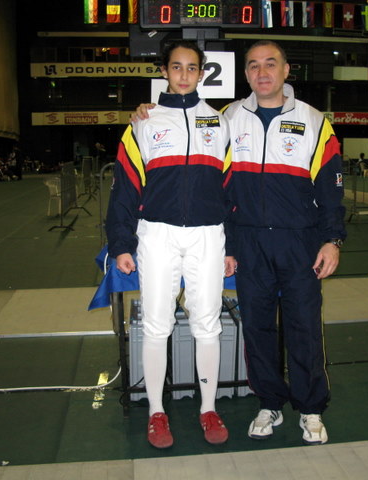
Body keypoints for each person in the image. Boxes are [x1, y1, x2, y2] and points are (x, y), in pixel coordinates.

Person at [135, 40, 346, 446]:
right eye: (253, 66)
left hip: (299, 242)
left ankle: (310, 408)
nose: (262, 72)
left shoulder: (315, 121)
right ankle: (269, 403)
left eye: (271, 64)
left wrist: (332, 239)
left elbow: (331, 187)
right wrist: (146, 111)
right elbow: (215, 177)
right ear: (245, 73)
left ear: (287, 70)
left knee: (303, 327)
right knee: (258, 329)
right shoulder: (228, 118)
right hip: (249, 242)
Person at [106, 41, 232, 449]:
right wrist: (121, 243)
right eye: (176, 67)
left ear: (202, 73)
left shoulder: (219, 122)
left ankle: (208, 408)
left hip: (207, 234)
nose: (183, 75)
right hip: (156, 234)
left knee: (207, 324)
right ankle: (157, 413)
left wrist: (233, 247)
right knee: (157, 325)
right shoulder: (143, 123)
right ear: (164, 71)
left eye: (191, 68)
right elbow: (124, 189)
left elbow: (232, 189)